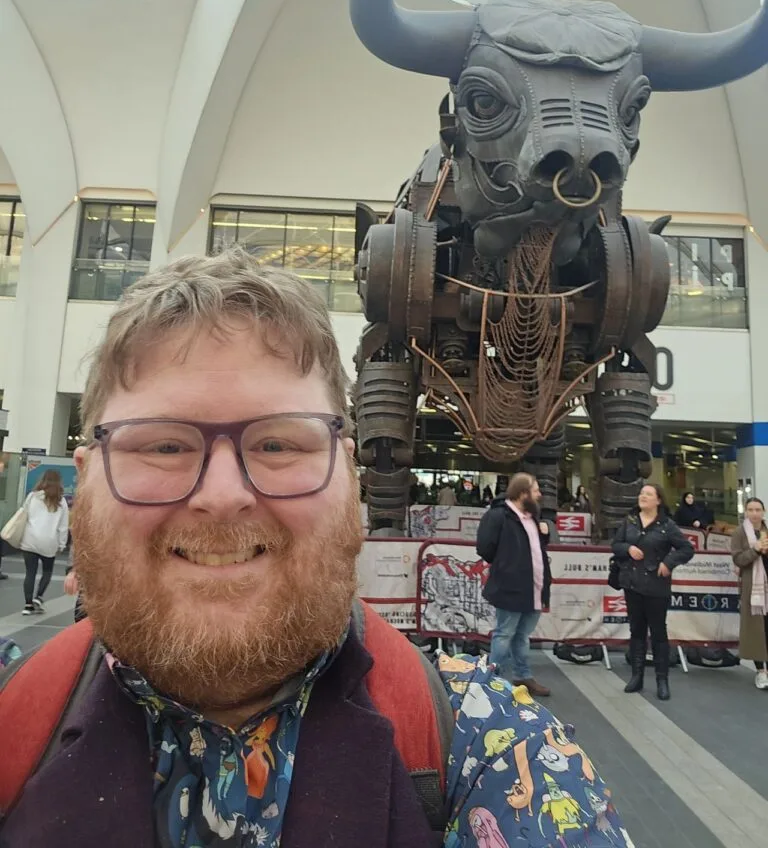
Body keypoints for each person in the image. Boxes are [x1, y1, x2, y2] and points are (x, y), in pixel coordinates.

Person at [0, 249, 629, 846]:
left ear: (350, 475)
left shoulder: (492, 748)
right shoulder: (12, 718)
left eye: (278, 445)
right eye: (163, 446)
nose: (223, 495)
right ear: (85, 478)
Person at [612, 484, 694, 700]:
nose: (643, 497)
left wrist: (669, 562)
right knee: (636, 631)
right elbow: (616, 544)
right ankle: (636, 676)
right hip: (632, 584)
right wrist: (628, 549)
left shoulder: (667, 525)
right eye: (641, 494)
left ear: (658, 500)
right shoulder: (629, 521)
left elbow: (687, 549)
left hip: (657, 586)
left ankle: (662, 680)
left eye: (648, 494)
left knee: (658, 633)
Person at [476, 472, 552, 697]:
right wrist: (507, 566)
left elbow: (536, 548)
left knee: (522, 635)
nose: (539, 494)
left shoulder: (532, 516)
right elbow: (485, 547)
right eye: (535, 490)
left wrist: (544, 536)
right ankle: (493, 679)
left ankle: (522, 675)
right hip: (510, 586)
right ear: (523, 493)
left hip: (534, 588)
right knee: (504, 633)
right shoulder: (498, 516)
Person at [18, 470, 69, 615]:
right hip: (49, 542)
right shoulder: (61, 501)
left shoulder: (32, 496)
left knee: (30, 573)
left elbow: (24, 515)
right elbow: (63, 526)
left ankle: (28, 605)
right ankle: (38, 597)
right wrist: (62, 544)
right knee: (47, 571)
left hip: (30, 540)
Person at [731, 496, 768, 689]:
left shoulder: (766, 531)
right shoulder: (740, 533)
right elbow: (738, 559)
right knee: (755, 629)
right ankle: (761, 670)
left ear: (763, 512)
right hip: (752, 588)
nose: (754, 513)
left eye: (758, 510)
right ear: (746, 512)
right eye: (751, 510)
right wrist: (755, 550)